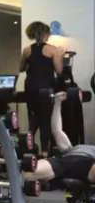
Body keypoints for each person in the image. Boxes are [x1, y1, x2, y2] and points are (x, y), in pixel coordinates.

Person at [23, 91, 95, 184]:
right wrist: (57, 102)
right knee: (27, 171)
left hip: (90, 164)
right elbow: (57, 130)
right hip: (64, 162)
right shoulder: (71, 148)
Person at [19, 21, 64, 157]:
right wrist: (60, 56)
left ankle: (29, 149)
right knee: (46, 119)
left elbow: (21, 68)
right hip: (46, 87)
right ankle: (45, 152)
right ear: (45, 33)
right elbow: (59, 70)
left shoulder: (27, 50)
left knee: (33, 118)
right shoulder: (53, 49)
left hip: (31, 87)